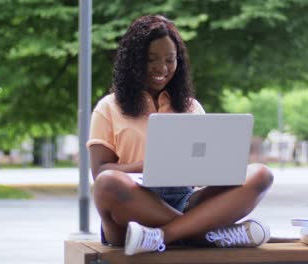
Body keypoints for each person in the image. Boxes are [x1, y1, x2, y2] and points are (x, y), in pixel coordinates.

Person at [87, 15, 274, 256]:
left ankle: (166, 236)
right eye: (151, 59)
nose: (162, 68)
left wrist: (218, 168)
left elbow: (206, 168)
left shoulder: (190, 106)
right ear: (134, 61)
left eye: (169, 59)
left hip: (186, 201)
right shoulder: (108, 107)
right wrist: (146, 165)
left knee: (260, 174)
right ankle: (206, 234)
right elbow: (100, 171)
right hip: (132, 206)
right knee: (108, 183)